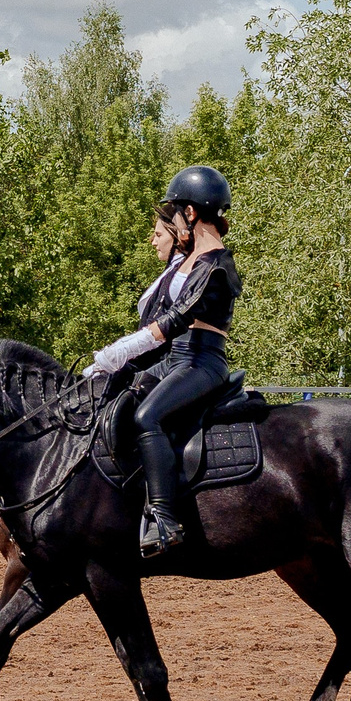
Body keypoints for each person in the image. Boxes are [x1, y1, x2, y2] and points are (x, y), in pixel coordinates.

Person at [85, 165, 242, 556]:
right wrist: (107, 369)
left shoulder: (216, 263)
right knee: (113, 400)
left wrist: (121, 351)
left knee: (147, 417)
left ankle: (163, 517)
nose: (173, 219)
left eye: (176, 211)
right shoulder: (189, 261)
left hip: (201, 362)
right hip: (175, 361)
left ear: (190, 212)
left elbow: (176, 319)